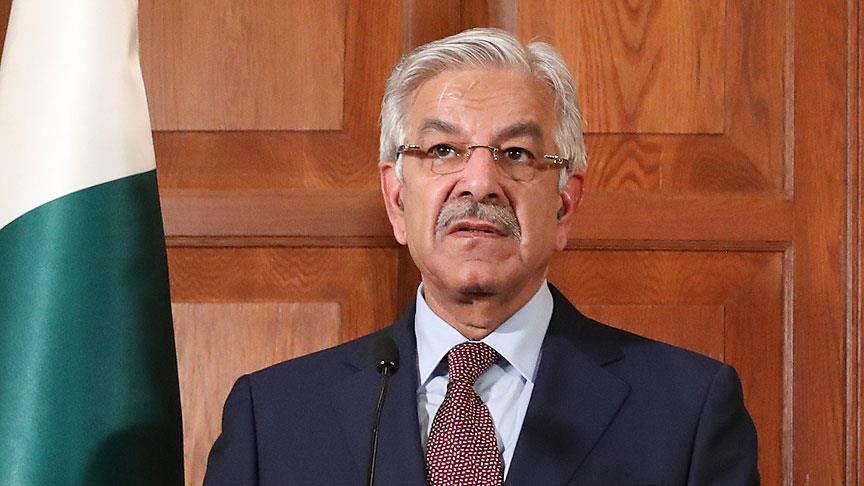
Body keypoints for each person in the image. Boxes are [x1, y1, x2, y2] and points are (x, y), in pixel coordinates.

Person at [204, 28, 759, 485]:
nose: (480, 182)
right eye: (443, 150)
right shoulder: (274, 417)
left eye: (516, 153)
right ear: (397, 199)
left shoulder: (687, 410)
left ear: (564, 204)